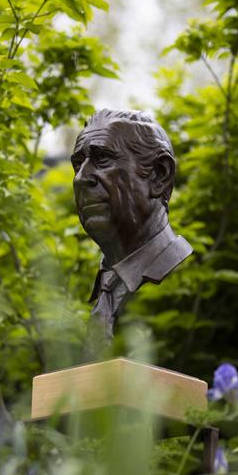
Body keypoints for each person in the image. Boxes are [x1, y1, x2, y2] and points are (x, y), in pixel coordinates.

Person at [71, 108, 193, 351]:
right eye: (77, 165)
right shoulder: (103, 289)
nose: (80, 178)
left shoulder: (182, 284)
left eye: (102, 159)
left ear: (160, 175)